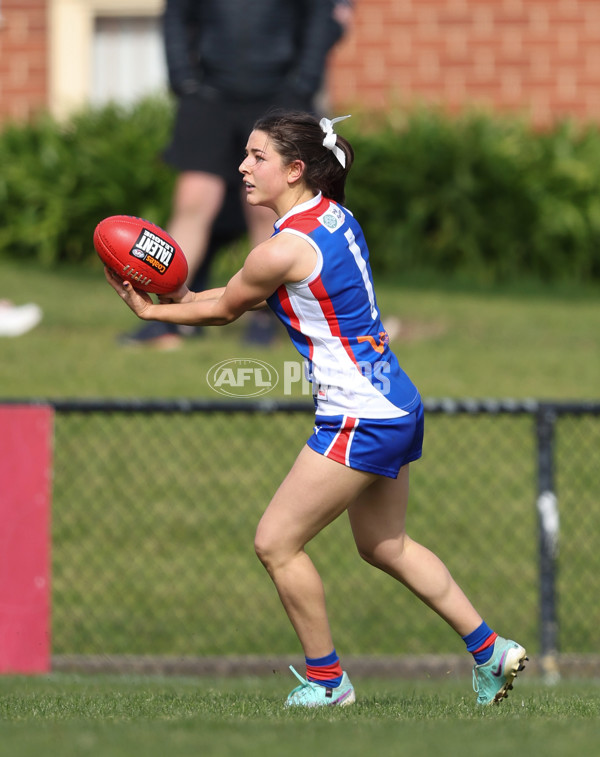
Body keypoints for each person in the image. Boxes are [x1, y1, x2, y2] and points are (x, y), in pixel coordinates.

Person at [105, 111, 528, 707]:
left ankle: (329, 683)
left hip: (358, 415)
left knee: (276, 542)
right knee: (387, 545)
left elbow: (226, 308)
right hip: (396, 401)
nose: (242, 168)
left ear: (295, 168)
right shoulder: (333, 216)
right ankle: (491, 651)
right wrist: (179, 297)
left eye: (257, 158)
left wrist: (154, 313)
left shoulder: (280, 250)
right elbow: (233, 296)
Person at [122, 0, 349, 349]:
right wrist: (183, 79)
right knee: (192, 201)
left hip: (278, 93)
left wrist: (304, 81)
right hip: (210, 95)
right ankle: (167, 316)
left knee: (266, 208)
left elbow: (320, 16)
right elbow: (177, 16)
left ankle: (264, 317)